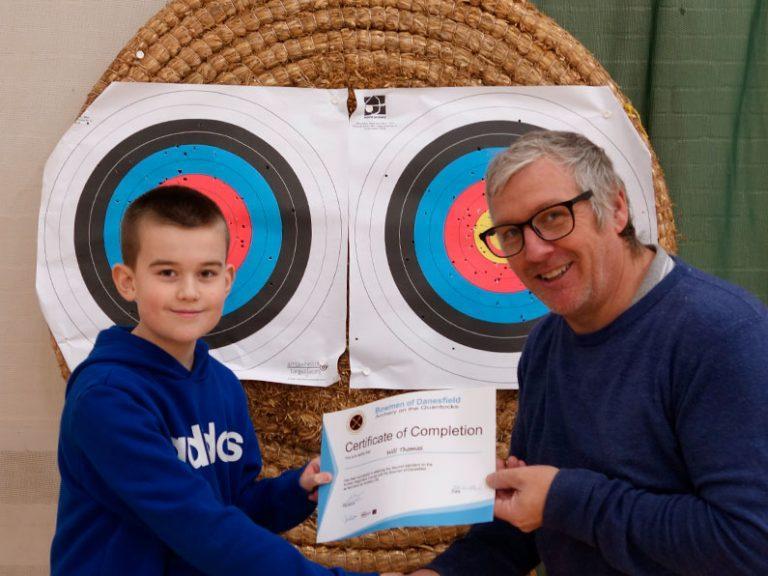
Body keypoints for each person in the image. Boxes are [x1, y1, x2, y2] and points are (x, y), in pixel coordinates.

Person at [411, 130, 768, 575]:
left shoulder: (720, 334)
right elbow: (520, 530)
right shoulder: (545, 346)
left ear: (616, 208)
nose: (535, 250)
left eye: (553, 217)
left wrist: (564, 499)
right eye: (510, 233)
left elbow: (750, 543)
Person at [50, 186, 382, 575]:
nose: (189, 292)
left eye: (206, 273)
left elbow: (232, 507)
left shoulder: (222, 385)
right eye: (167, 273)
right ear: (127, 281)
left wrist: (293, 491)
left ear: (227, 281)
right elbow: (202, 528)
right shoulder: (105, 398)